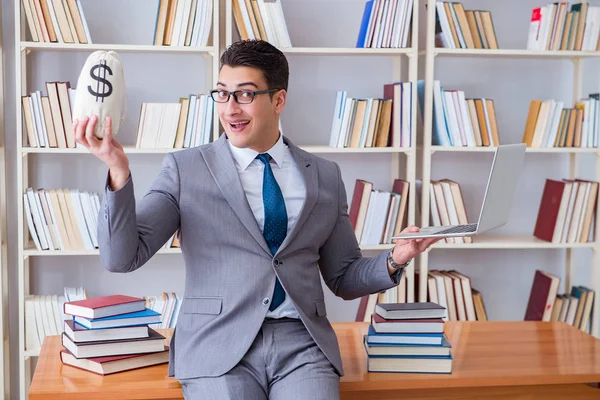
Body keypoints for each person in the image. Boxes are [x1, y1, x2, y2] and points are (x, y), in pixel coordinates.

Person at [73, 39, 439, 400]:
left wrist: (396, 258)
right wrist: (117, 172)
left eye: (245, 94)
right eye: (222, 93)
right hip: (216, 346)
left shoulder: (324, 175)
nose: (230, 109)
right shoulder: (185, 169)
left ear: (278, 100)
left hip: (302, 347)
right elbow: (122, 257)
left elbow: (343, 277)